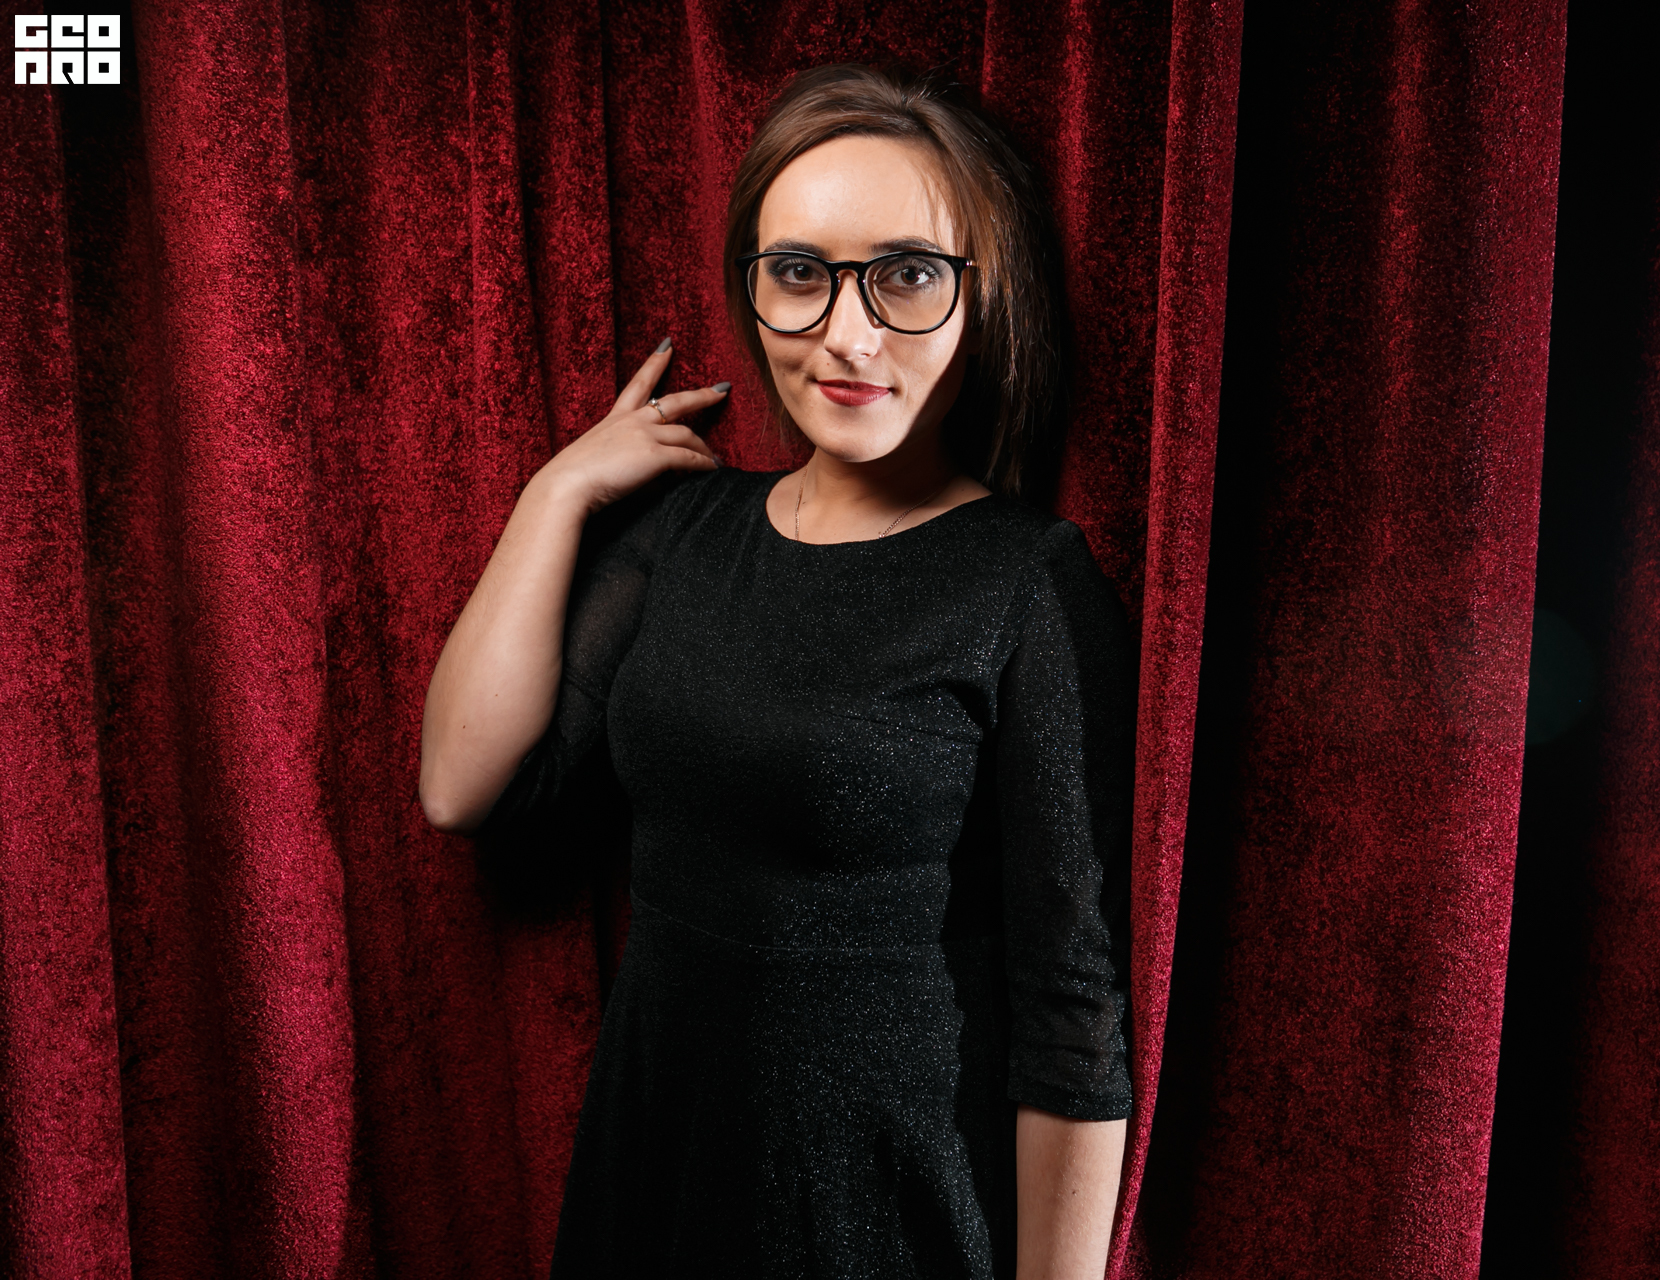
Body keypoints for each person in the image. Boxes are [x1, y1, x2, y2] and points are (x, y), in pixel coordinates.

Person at [418, 62, 1136, 1280]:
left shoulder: (1026, 582)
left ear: (985, 295)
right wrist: (557, 492)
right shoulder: (683, 533)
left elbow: (1072, 1013)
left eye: (908, 274)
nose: (847, 334)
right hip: (656, 1160)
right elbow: (461, 784)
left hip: (877, 1204)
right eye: (800, 272)